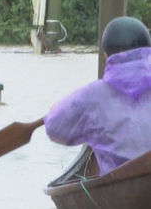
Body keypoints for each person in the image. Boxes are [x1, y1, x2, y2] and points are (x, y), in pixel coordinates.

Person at [44, 16, 151, 175]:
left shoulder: (93, 95)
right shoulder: (93, 96)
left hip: (118, 187)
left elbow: (54, 127)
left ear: (106, 57)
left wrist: (53, 110)